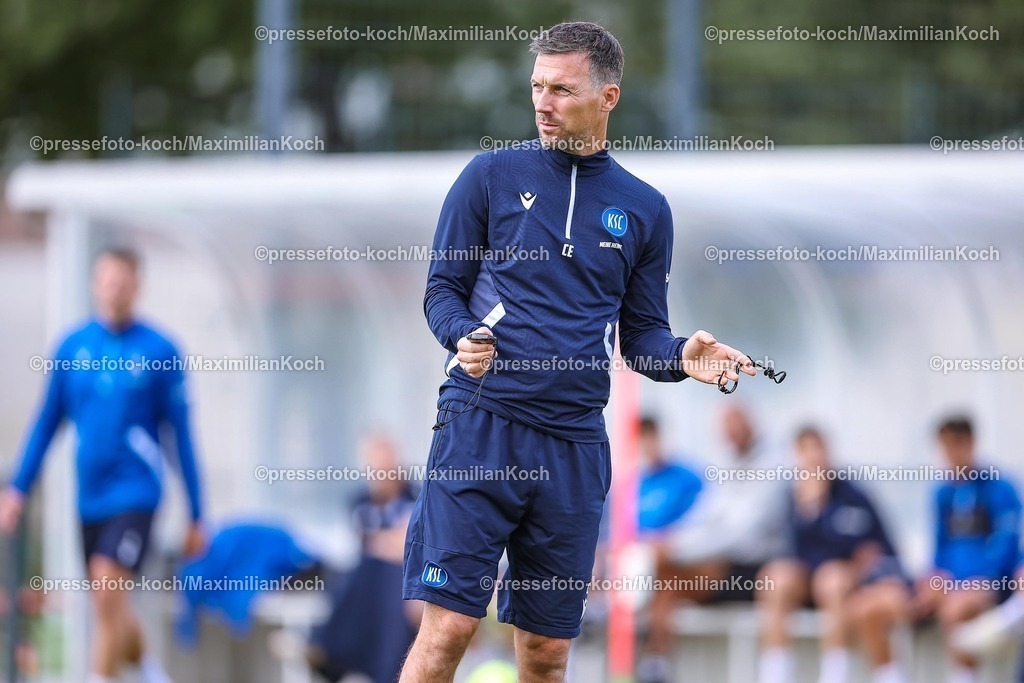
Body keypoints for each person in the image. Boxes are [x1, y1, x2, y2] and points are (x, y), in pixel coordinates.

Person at [398, 21, 759, 683]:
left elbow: (642, 338)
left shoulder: (645, 208)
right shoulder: (488, 176)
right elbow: (442, 290)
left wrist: (683, 356)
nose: (543, 102)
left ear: (608, 97)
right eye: (537, 86)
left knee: (546, 652)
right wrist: (461, 334)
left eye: (561, 89)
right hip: (480, 426)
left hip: (573, 447)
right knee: (448, 628)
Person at [0, 247, 205, 683]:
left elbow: (182, 437)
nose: (114, 290)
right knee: (107, 599)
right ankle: (151, 672)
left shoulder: (160, 349)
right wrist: (18, 488)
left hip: (136, 492)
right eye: (107, 281)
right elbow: (47, 421)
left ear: (137, 287)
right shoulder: (72, 347)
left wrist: (197, 513)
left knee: (108, 585)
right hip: (89, 498)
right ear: (96, 285)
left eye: (122, 283)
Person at [640, 404, 787, 683]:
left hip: (756, 570)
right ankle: (655, 664)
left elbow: (741, 534)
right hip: (723, 563)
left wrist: (677, 550)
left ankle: (650, 659)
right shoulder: (727, 463)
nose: (729, 434)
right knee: (666, 579)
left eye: (734, 425)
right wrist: (669, 543)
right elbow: (705, 517)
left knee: (669, 573)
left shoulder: (774, 467)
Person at [757, 427, 911, 683]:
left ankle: (835, 673)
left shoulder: (852, 495)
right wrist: (809, 513)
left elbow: (869, 548)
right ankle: (775, 672)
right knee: (775, 579)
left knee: (832, 579)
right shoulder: (788, 498)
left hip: (842, 582)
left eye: (817, 449)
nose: (813, 458)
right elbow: (784, 548)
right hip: (803, 581)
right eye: (805, 451)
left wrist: (822, 512)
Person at [912, 416, 1022, 683]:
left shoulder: (999, 487)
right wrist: (934, 578)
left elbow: (1006, 545)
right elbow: (939, 548)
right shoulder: (942, 493)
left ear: (971, 443)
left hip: (992, 583)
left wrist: (980, 577)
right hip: (955, 584)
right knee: (914, 602)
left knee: (956, 607)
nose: (950, 454)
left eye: (956, 444)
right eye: (945, 446)